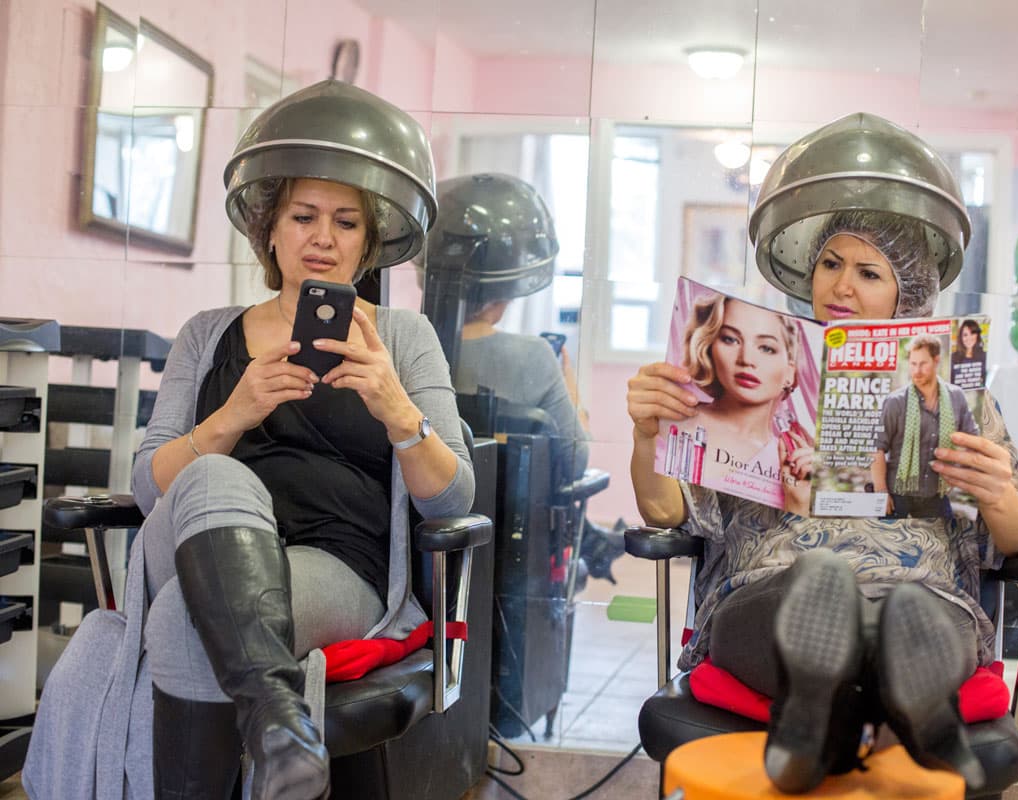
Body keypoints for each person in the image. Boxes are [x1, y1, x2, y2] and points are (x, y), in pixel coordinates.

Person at [27, 81, 475, 800]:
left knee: (181, 618)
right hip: (193, 544)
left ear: (369, 243)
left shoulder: (403, 337)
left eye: (345, 222)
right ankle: (277, 714)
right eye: (303, 216)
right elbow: (150, 488)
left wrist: (396, 407)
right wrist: (232, 414)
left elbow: (451, 498)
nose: (322, 238)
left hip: (334, 569)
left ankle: (277, 731)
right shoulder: (207, 335)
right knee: (215, 478)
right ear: (269, 227)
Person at [627, 164, 1018, 793]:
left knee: (915, 614)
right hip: (771, 593)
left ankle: (825, 715)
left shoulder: (961, 403)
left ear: (908, 293)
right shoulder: (752, 384)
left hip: (919, 596)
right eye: (830, 263)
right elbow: (664, 513)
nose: (840, 284)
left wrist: (999, 492)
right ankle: (903, 705)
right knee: (807, 598)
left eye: (868, 272)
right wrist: (647, 434)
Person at [422, 173, 624, 583]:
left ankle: (595, 544)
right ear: (506, 293)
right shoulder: (533, 357)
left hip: (424, 545)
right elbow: (574, 461)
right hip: (513, 553)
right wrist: (570, 390)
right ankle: (595, 546)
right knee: (576, 567)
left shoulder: (406, 345)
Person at [670, 290, 815, 511]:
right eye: (730, 339)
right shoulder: (677, 422)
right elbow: (662, 517)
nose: (746, 359)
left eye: (766, 348)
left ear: (789, 372)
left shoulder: (796, 457)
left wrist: (800, 503)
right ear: (709, 347)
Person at [871, 334, 979, 518]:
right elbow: (877, 447)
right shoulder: (895, 401)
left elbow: (973, 440)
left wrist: (957, 472)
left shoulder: (956, 397)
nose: (917, 371)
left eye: (923, 364)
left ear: (936, 361)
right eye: (913, 364)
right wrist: (881, 492)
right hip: (898, 491)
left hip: (934, 493)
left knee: (945, 542)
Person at [951, 318, 987, 387]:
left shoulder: (984, 356)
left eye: (972, 333)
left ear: (977, 335)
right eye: (965, 335)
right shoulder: (954, 357)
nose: (969, 338)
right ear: (961, 337)